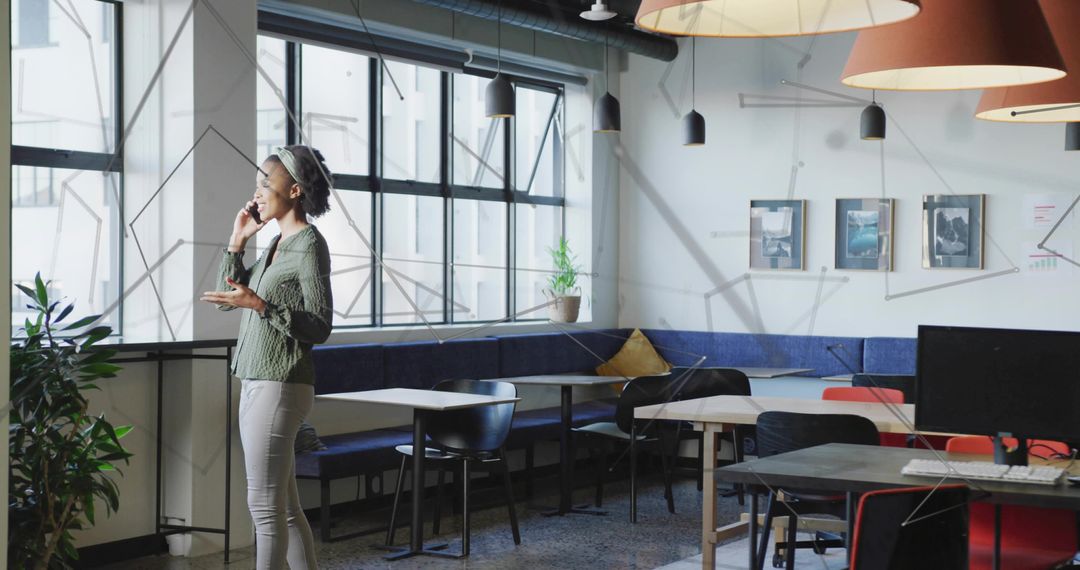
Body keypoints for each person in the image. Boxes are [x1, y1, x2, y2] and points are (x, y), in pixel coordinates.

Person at [200, 145, 333, 570]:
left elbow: (320, 324)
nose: (256, 192)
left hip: (281, 384)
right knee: (284, 508)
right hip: (259, 381)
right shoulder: (276, 242)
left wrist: (261, 305)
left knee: (263, 507)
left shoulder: (309, 245)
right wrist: (237, 243)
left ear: (294, 190)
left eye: (265, 183)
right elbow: (228, 301)